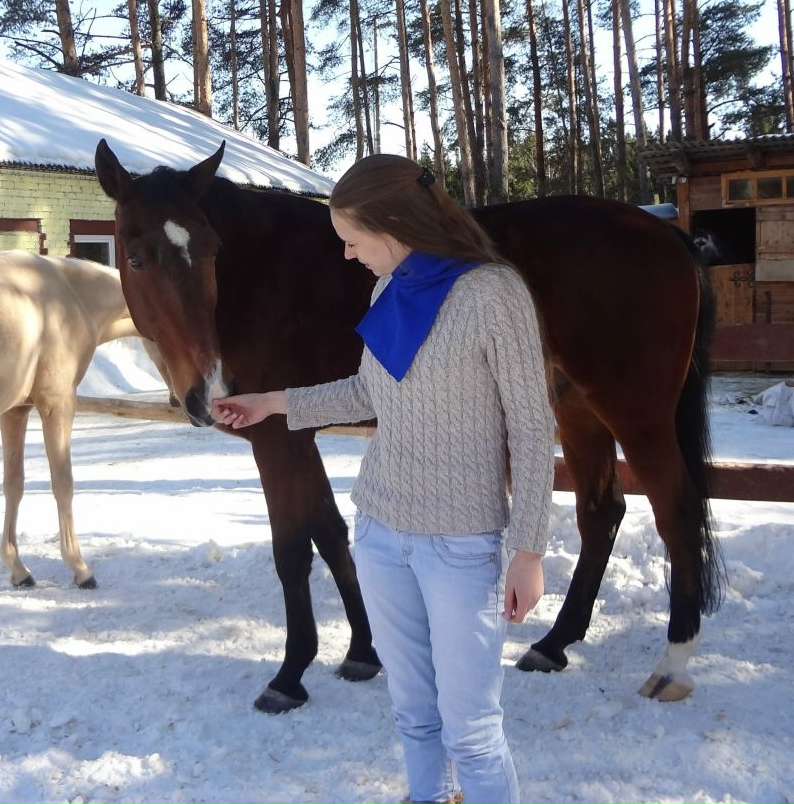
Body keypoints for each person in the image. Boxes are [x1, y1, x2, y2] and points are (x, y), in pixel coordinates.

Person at [211, 154, 555, 804]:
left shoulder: (493, 293)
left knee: (472, 732)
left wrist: (529, 550)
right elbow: (369, 390)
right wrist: (271, 403)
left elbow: (534, 428)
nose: (347, 254)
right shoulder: (387, 289)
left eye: (352, 239)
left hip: (460, 545)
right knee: (413, 715)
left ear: (392, 224)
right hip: (380, 534)